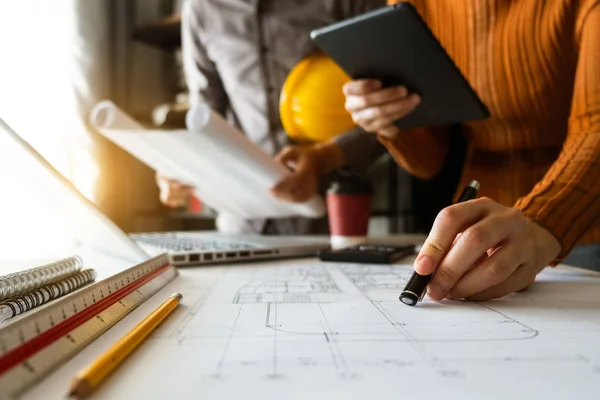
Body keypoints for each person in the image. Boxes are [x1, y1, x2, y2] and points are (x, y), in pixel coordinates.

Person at [343, 0, 600, 300]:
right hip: (473, 233)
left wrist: (541, 220)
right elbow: (430, 162)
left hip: (583, 222)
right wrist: (392, 122)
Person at [158, 0, 387, 235]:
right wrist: (179, 165)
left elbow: (392, 103)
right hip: (242, 222)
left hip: (335, 214)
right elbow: (204, 116)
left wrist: (324, 157)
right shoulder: (201, 8)